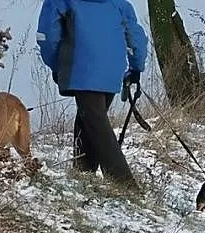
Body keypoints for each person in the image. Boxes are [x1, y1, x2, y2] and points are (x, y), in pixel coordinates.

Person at [36, 0, 148, 188]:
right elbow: (135, 37)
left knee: (96, 124)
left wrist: (58, 65)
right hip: (112, 72)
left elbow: (47, 37)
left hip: (80, 69)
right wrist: (136, 66)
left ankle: (126, 186)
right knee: (88, 119)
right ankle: (83, 176)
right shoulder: (119, 4)